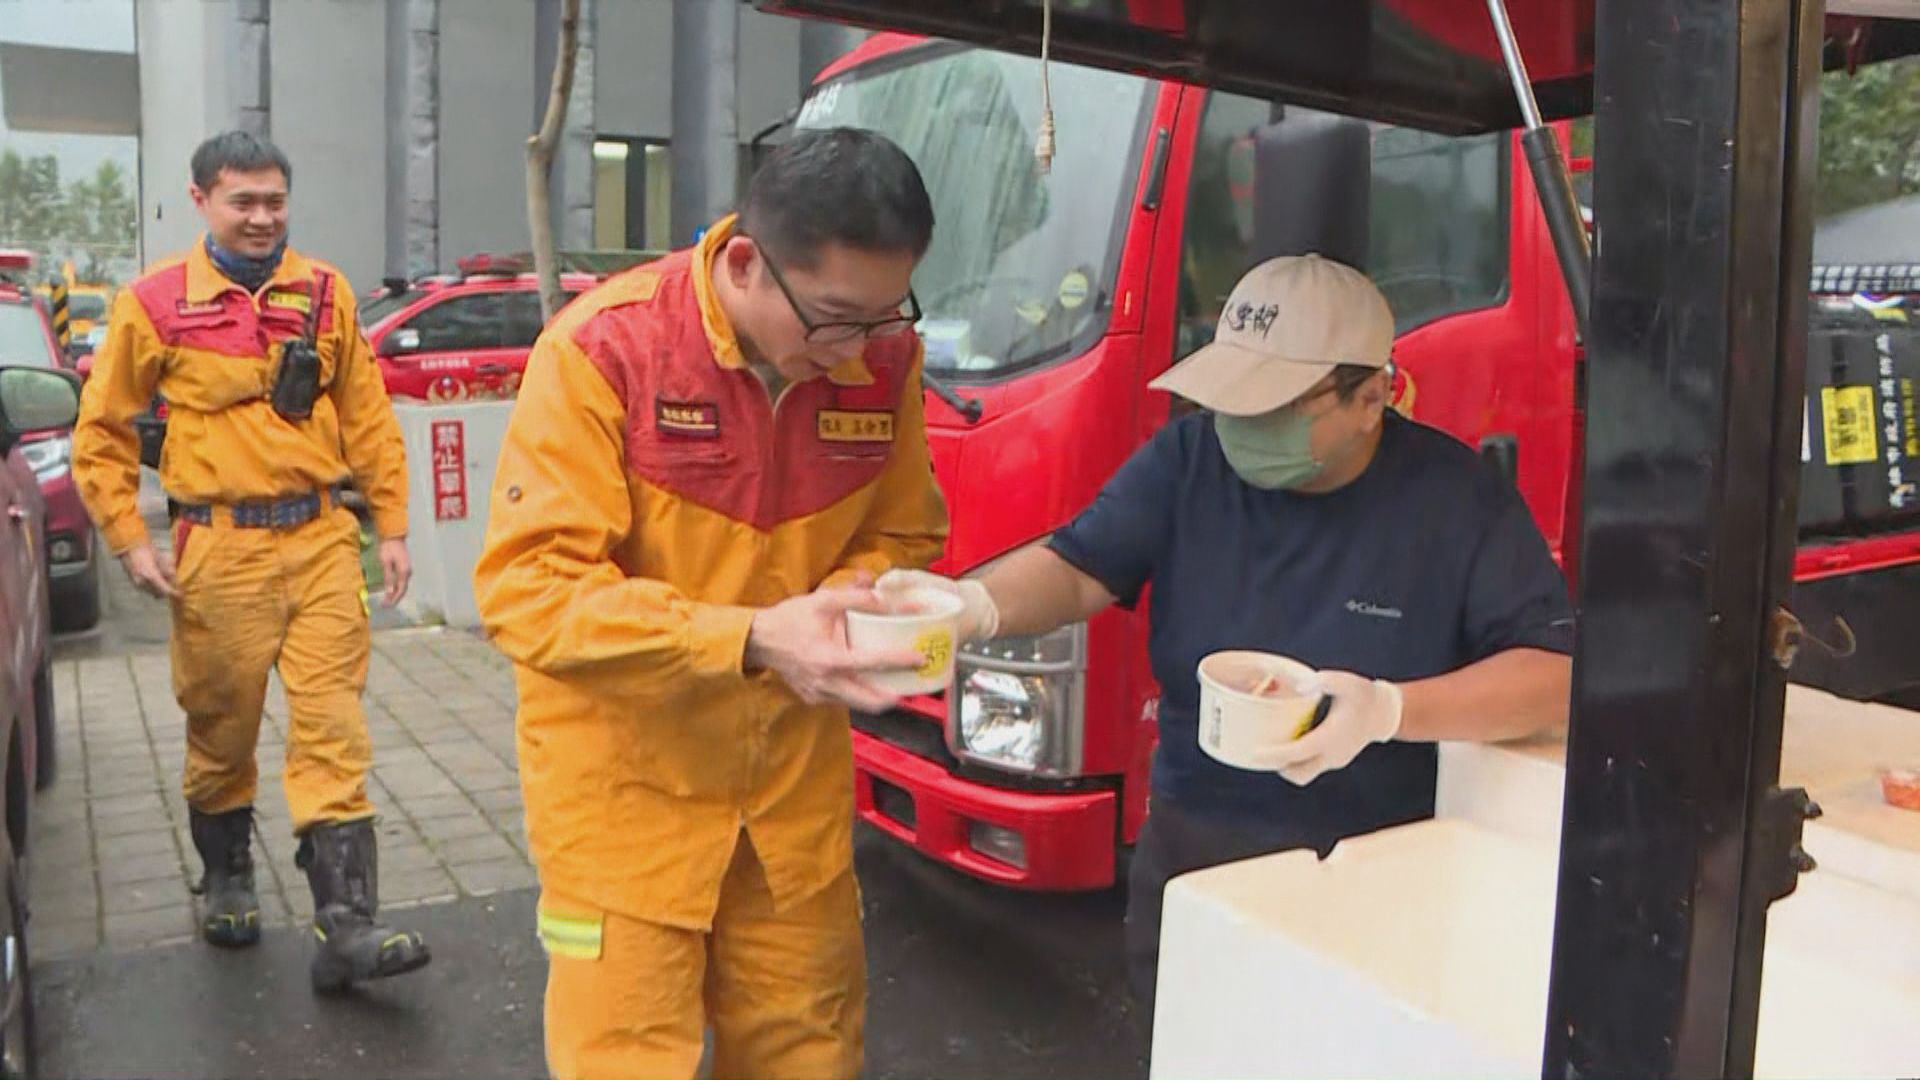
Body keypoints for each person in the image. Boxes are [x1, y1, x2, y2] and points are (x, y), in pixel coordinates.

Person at [881, 254, 1575, 1033]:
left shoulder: (1454, 499)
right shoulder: (1189, 460)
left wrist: (1386, 709)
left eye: (1272, 405)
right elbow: (1080, 569)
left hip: (1380, 864)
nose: (1241, 427)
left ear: (1371, 396)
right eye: (1230, 400)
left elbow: (1554, 677)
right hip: (1196, 843)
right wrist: (970, 606)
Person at [472, 127, 948, 1080]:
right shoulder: (605, 350)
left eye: (886, 316)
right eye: (833, 319)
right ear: (745, 262)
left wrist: (861, 597)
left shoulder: (883, 360)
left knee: (809, 1055)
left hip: (790, 812)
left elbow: (904, 532)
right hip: (626, 812)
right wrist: (756, 638)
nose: (857, 350)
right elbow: (530, 593)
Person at [72, 131, 429, 991]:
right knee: (221, 724)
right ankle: (228, 878)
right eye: (244, 201)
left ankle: (347, 924)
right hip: (217, 548)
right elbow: (103, 433)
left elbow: (370, 416)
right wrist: (128, 539)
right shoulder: (153, 302)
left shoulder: (327, 293)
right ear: (201, 201)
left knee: (333, 728)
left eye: (274, 200)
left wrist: (394, 527)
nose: (263, 216)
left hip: (318, 542)